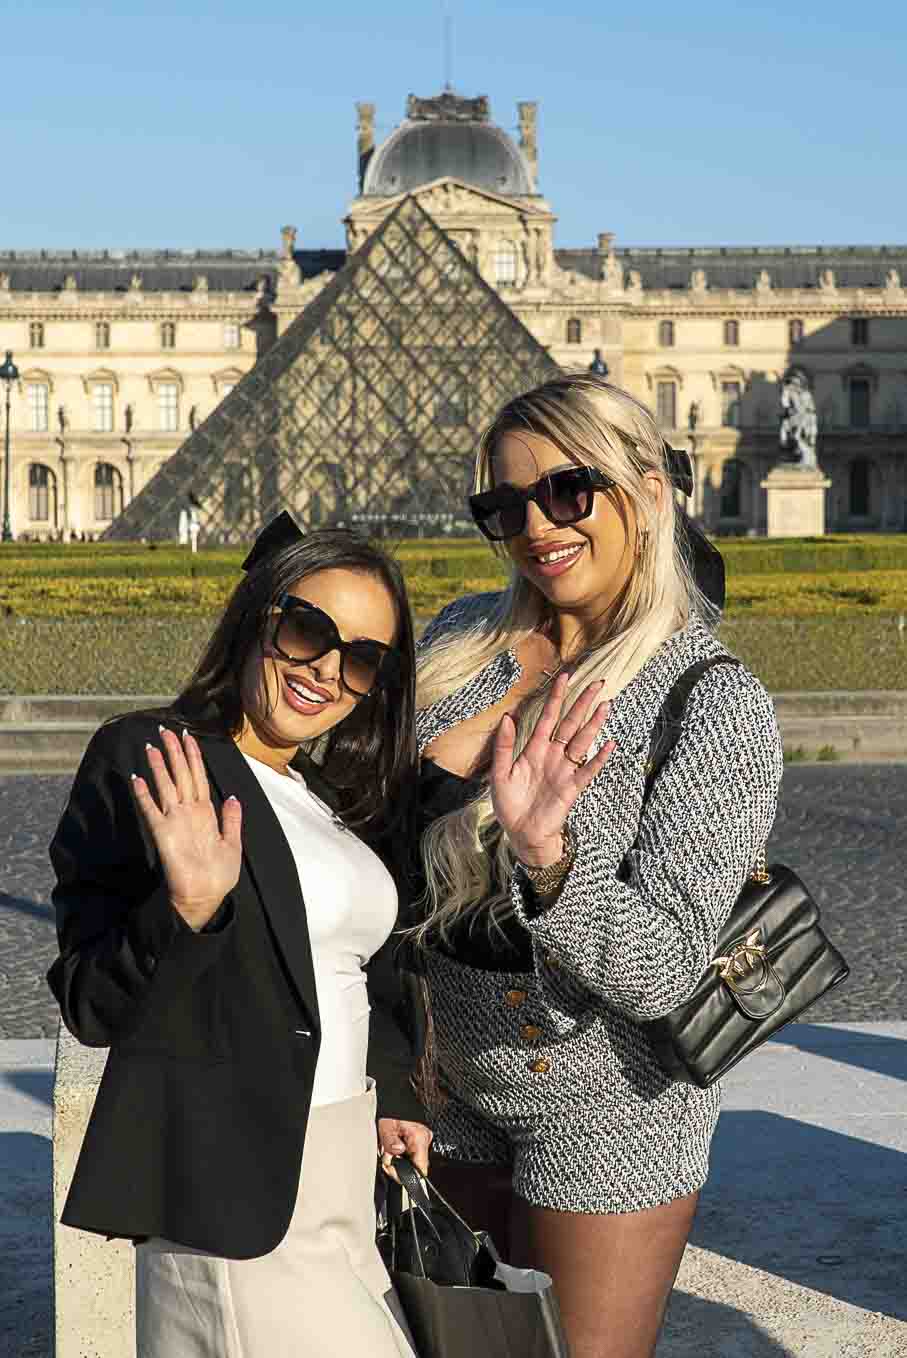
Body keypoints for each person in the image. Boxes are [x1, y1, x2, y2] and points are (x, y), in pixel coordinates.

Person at [411, 374, 783, 1358]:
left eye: (567, 490)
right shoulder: (456, 641)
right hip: (438, 1084)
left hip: (606, 1100)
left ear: (647, 491)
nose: (534, 524)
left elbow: (664, 967)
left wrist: (551, 860)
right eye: (504, 503)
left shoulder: (709, 701)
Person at [48, 515, 431, 1358]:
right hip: (236, 1190)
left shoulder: (329, 791)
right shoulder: (154, 755)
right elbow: (90, 1002)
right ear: (257, 615)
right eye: (307, 630)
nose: (326, 669)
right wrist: (184, 911)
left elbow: (352, 972)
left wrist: (393, 1094)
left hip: (339, 1174)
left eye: (362, 657)